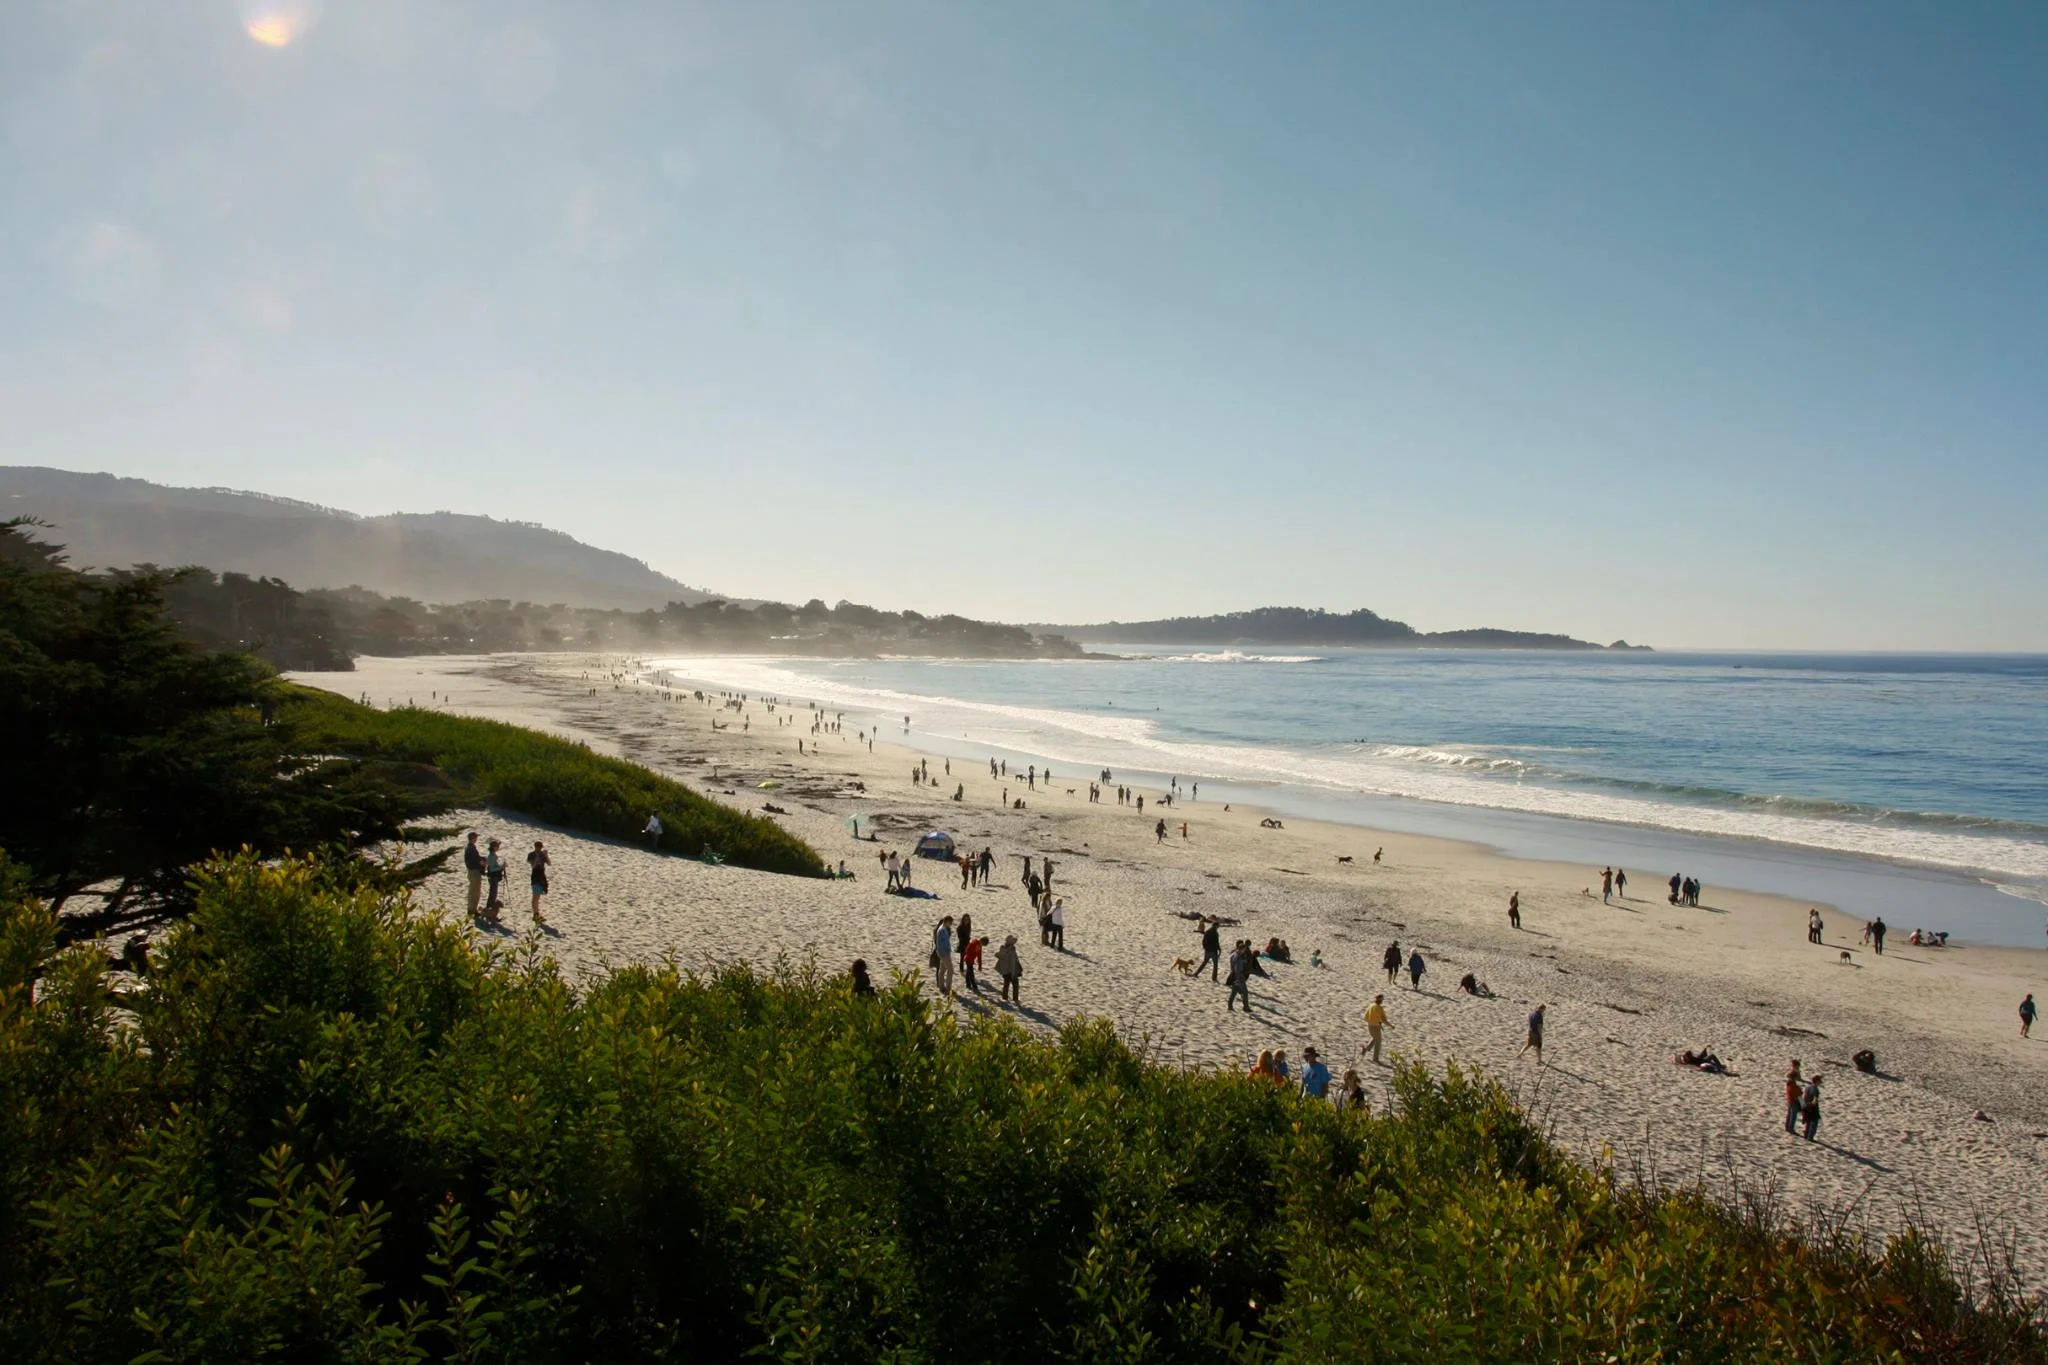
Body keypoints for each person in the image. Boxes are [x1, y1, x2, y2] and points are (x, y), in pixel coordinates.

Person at [527, 840, 550, 924]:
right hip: (535, 875)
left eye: (540, 847)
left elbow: (549, 863)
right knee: (535, 896)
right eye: (538, 847)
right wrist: (536, 859)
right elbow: (532, 866)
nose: (539, 849)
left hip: (542, 875)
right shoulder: (531, 855)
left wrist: (546, 856)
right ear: (535, 847)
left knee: (538, 896)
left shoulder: (542, 854)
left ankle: (537, 914)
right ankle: (535, 914)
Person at [931, 916, 955, 995]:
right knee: (950, 970)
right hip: (944, 953)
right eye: (950, 922)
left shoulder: (942, 929)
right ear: (946, 921)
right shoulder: (942, 930)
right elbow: (940, 944)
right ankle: (948, 988)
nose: (951, 924)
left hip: (943, 953)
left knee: (942, 970)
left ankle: (941, 987)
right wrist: (943, 953)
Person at [463, 831, 485, 918]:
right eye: (475, 837)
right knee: (475, 892)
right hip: (474, 871)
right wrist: (482, 862)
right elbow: (475, 860)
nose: (476, 839)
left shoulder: (470, 848)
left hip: (471, 871)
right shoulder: (471, 848)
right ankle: (472, 910)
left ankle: (471, 909)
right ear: (473, 839)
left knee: (473, 891)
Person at [1226, 942, 1253, 1012]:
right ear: (1242, 949)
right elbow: (1237, 967)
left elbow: (1233, 965)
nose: (1245, 951)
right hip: (1239, 975)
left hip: (1235, 975)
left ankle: (1230, 1005)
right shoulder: (1238, 956)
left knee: (1234, 990)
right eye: (1244, 949)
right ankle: (1246, 1007)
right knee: (1245, 992)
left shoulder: (1235, 954)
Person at [1363, 993, 1389, 1065]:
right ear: (1379, 999)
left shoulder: (1371, 1006)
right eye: (1382, 999)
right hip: (1376, 1026)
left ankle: (1366, 1048)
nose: (1382, 1001)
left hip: (1369, 1025)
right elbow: (1384, 1019)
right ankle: (1375, 1058)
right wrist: (1391, 1025)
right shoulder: (1379, 1008)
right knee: (1378, 1042)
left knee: (1374, 1038)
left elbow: (1365, 1016)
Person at [996, 934, 1023, 1002]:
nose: (1015, 942)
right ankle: (1014, 999)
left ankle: (1006, 998)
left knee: (1007, 984)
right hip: (1010, 970)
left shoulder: (1006, 948)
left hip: (1008, 970)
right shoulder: (1009, 949)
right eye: (1013, 941)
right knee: (1014, 984)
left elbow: (999, 955)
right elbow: (1012, 961)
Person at [483, 838, 505, 922]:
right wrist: (501, 867)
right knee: (492, 895)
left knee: (493, 894)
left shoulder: (492, 855)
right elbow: (492, 869)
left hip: (493, 877)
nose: (498, 847)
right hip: (493, 877)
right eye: (497, 846)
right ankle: (489, 913)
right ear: (494, 847)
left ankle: (490, 913)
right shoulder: (491, 856)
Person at [1195, 916, 1222, 982]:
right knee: (1215, 965)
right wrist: (1219, 949)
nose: (1218, 927)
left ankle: (1196, 973)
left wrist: (1205, 948)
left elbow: (1203, 941)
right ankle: (1214, 978)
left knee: (1204, 962)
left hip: (1207, 950)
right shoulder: (1215, 933)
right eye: (1218, 926)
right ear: (1216, 926)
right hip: (1213, 951)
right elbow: (1216, 943)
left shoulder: (1207, 931)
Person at [1783, 1060, 1803, 1134]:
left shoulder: (1789, 1083)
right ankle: (1791, 1129)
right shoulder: (1793, 1085)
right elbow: (1798, 1094)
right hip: (1794, 1101)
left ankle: (1787, 1127)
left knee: (1789, 1114)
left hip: (1790, 1100)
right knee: (1793, 1115)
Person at [1799, 1075, 1822, 1142]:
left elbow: (1804, 1097)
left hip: (1806, 1106)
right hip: (1813, 1108)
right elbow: (1815, 1099)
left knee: (1808, 1121)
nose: (1820, 1082)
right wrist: (1813, 1103)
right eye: (1820, 1081)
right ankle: (1810, 1137)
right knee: (1814, 1122)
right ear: (1817, 1081)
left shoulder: (1808, 1087)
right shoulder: (1815, 1089)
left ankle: (1806, 1135)